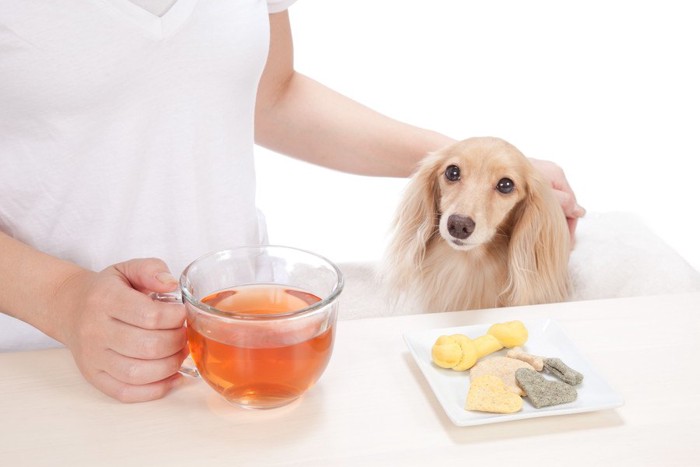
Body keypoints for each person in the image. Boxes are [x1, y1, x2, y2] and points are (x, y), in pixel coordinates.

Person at [0, 0, 584, 402]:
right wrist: (61, 299)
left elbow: (270, 94)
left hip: (241, 342)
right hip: (33, 363)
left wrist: (475, 165)